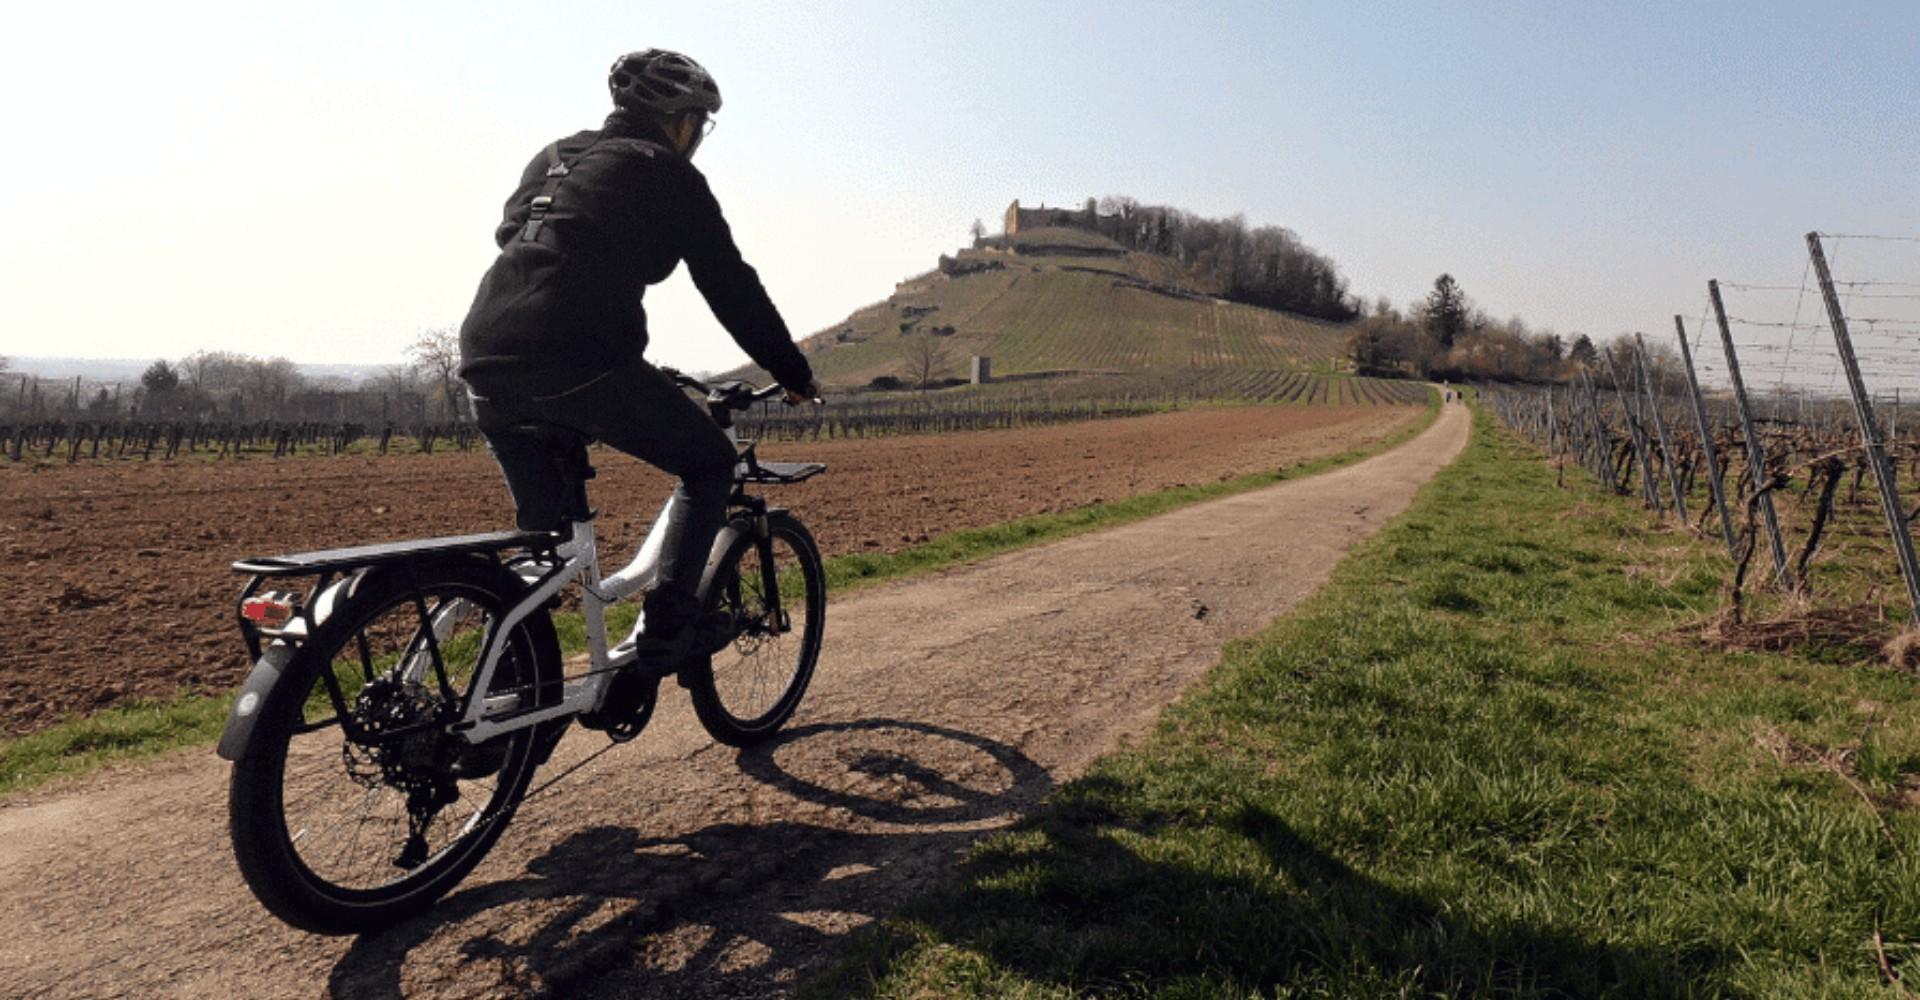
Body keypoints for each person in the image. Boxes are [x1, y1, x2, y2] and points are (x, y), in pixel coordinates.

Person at [458, 49, 819, 659]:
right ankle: (667, 631)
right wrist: (793, 371)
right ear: (681, 121)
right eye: (699, 124)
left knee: (546, 547)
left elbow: (516, 235)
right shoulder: (669, 172)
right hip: (581, 359)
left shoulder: (554, 156)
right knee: (709, 464)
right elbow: (729, 284)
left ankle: (519, 697)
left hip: (486, 353)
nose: (698, 137)